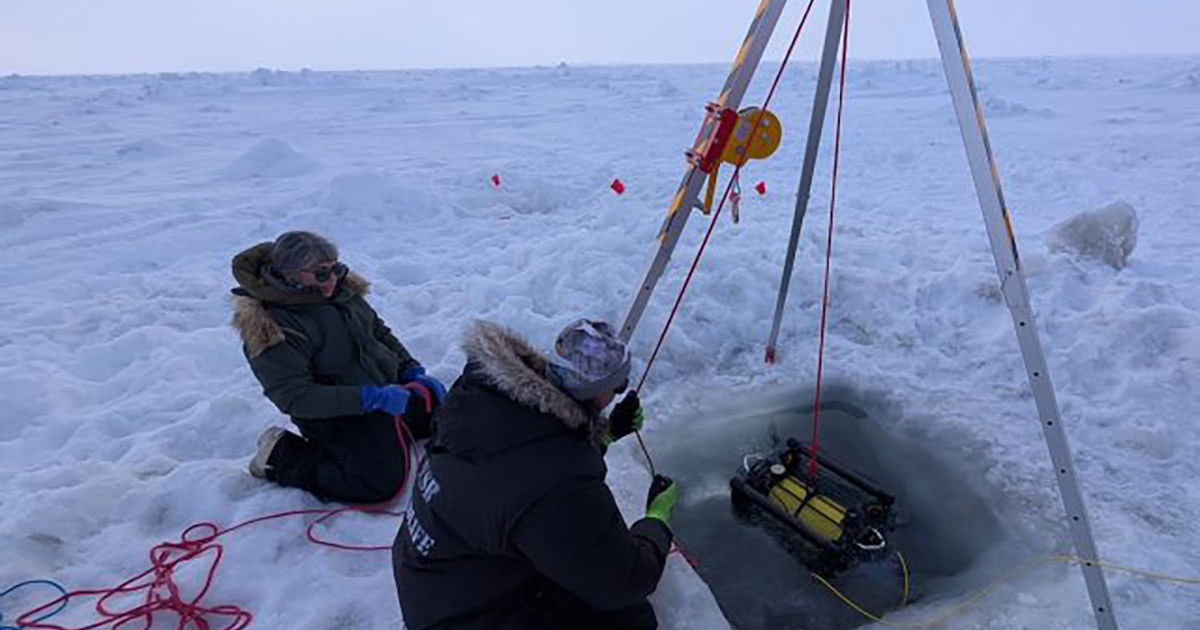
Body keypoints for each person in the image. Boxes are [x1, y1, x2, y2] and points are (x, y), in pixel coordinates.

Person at [392, 318, 680, 630]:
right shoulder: (560, 482)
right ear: (598, 392)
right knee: (629, 617)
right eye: (618, 387)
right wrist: (656, 522)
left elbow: (527, 462)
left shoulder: (486, 399)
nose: (617, 394)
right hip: (463, 618)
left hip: (434, 580)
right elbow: (625, 580)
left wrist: (604, 434)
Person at [230, 231, 446, 503]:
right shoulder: (271, 325)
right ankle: (280, 454)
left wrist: (409, 368)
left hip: (384, 389)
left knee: (447, 419)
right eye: (320, 273)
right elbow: (295, 397)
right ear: (289, 275)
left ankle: (391, 428)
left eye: (335, 269)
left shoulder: (341, 291)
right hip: (336, 413)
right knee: (378, 483)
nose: (332, 278)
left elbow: (378, 333)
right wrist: (368, 399)